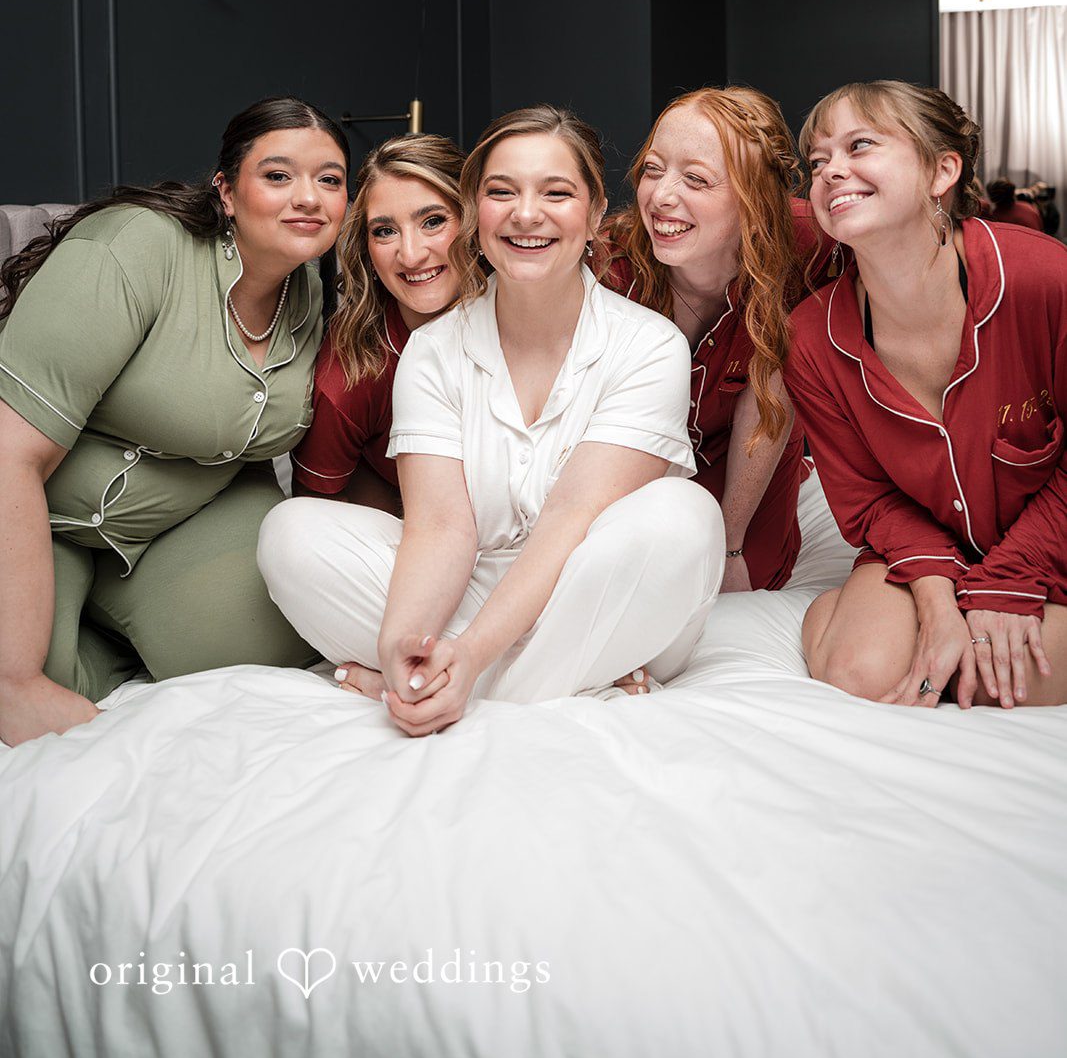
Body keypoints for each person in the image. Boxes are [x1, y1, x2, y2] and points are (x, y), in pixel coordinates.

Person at [259, 104, 723, 731]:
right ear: (475, 214)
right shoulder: (432, 351)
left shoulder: (650, 345)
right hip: (473, 586)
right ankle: (543, 681)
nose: (526, 214)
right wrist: (407, 638)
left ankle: (464, 690)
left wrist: (470, 655)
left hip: (600, 583)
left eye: (555, 193)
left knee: (684, 518)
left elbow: (569, 523)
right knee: (290, 532)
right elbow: (441, 530)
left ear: (592, 217)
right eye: (501, 192)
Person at [0, 96, 349, 748]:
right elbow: (8, 454)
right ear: (226, 191)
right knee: (28, 686)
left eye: (329, 179)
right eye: (278, 176)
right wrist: (15, 681)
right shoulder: (135, 246)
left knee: (274, 648)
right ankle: (71, 639)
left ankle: (118, 629)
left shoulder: (309, 289)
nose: (308, 197)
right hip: (43, 520)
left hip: (185, 521)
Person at [787, 80, 1067, 709]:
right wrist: (940, 603)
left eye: (860, 146)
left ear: (943, 170)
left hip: (1053, 542)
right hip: (922, 549)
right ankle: (857, 614)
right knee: (861, 676)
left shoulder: (1045, 280)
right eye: (817, 161)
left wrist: (1010, 581)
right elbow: (867, 500)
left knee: (1000, 678)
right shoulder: (809, 336)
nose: (833, 170)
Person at [605, 86, 833, 601]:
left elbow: (774, 384)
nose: (661, 197)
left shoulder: (812, 245)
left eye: (696, 179)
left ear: (755, 197)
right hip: (634, 454)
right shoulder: (609, 266)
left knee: (748, 576)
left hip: (746, 447)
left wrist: (729, 542)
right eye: (653, 169)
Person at [290, 132, 466, 516]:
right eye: (385, 231)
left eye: (433, 221)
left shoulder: (532, 313)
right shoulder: (351, 373)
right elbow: (313, 517)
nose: (411, 254)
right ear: (366, 251)